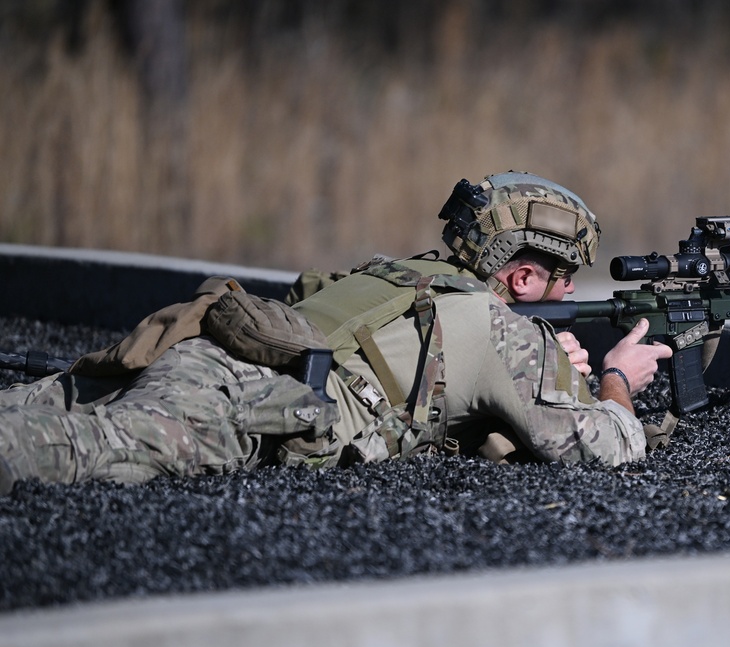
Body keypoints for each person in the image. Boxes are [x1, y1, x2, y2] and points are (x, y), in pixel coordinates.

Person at [0, 171, 672, 495]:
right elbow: (603, 449)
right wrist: (616, 380)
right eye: (561, 282)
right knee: (74, 450)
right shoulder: (496, 324)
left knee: (35, 406)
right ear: (523, 280)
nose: (567, 296)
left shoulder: (403, 275)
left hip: (200, 347)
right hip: (249, 398)